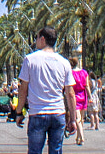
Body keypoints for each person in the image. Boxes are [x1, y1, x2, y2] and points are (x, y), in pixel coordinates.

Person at [19, 25, 82, 154]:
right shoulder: (64, 62)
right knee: (56, 150)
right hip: (58, 113)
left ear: (42, 39)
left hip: (38, 113)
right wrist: (73, 119)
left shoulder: (30, 60)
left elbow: (23, 90)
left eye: (36, 38)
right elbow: (70, 93)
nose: (35, 41)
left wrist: (19, 112)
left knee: (35, 151)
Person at [71, 61, 93, 143]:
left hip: (74, 96)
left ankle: (81, 137)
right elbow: (86, 85)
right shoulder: (84, 72)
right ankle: (79, 136)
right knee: (81, 118)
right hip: (83, 96)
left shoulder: (71, 73)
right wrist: (90, 97)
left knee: (78, 118)